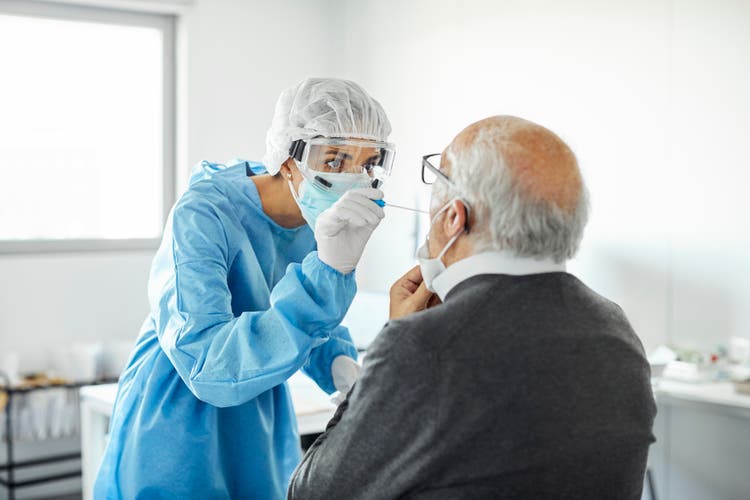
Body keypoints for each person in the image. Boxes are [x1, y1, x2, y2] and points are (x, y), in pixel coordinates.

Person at [288, 115, 656, 500]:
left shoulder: (424, 347)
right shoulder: (617, 332)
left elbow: (313, 492)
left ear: (453, 217)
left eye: (437, 179)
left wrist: (381, 365)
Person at [94, 78, 395, 499]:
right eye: (335, 160)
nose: (353, 179)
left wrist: (339, 363)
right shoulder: (204, 214)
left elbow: (306, 319)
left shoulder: (317, 219)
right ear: (289, 160)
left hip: (259, 405)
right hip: (178, 415)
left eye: (367, 164)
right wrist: (328, 269)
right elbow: (209, 365)